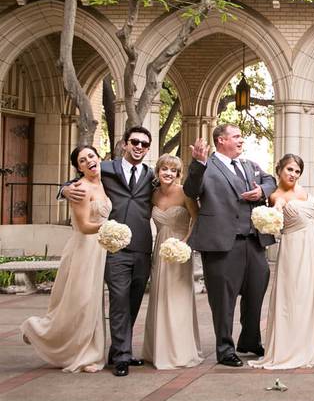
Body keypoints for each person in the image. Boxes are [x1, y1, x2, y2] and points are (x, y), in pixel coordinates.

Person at [61, 126, 155, 377]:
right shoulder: (107, 168)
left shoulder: (151, 175)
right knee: (119, 298)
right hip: (115, 247)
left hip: (143, 246)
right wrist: (64, 188)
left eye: (144, 144)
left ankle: (117, 350)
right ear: (124, 144)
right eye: (134, 142)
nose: (139, 147)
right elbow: (81, 176)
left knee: (134, 298)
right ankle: (123, 356)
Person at [184, 124, 277, 367]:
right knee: (223, 299)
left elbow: (270, 180)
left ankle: (249, 341)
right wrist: (198, 164)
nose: (241, 141)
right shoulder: (207, 166)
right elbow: (190, 189)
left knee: (256, 291)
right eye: (236, 137)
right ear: (221, 140)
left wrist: (262, 191)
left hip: (254, 242)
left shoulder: (248, 165)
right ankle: (225, 349)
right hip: (221, 244)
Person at [22, 145, 109, 373]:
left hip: (99, 250)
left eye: (91, 156)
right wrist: (110, 229)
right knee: (79, 302)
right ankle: (36, 330)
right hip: (84, 248)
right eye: (82, 160)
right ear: (77, 167)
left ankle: (92, 351)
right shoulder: (79, 188)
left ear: (98, 157)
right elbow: (83, 226)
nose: (89, 161)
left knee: (92, 303)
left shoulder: (105, 179)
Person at [251, 154, 314, 369]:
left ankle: (309, 343)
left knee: (309, 293)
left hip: (312, 246)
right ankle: (291, 347)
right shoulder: (276, 196)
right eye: (290, 170)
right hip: (294, 248)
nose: (293, 174)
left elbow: (310, 217)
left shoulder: (303, 191)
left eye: (297, 171)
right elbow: (276, 214)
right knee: (294, 294)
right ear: (279, 170)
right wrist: (274, 212)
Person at [142, 154, 202, 369]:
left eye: (173, 170)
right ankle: (158, 349)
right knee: (160, 297)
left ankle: (179, 351)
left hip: (179, 250)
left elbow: (196, 218)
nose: (168, 173)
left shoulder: (185, 193)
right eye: (164, 169)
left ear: (179, 174)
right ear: (158, 172)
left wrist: (185, 242)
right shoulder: (153, 195)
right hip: (160, 249)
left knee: (177, 298)